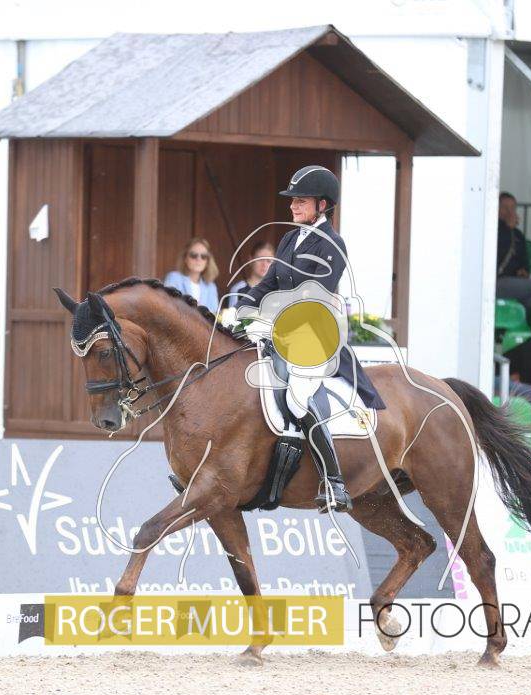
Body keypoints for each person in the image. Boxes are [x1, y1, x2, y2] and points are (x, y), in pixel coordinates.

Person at [223, 165, 384, 513]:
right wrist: (242, 310)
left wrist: (271, 323)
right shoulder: (288, 239)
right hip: (281, 332)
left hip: (313, 335)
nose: (293, 205)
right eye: (293, 200)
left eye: (301, 201)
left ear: (322, 205)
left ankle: (334, 481)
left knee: (299, 396)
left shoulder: (332, 244)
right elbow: (268, 284)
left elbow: (313, 296)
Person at [496, 192, 531, 312]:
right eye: (505, 208)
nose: (510, 212)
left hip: (516, 282)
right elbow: (498, 253)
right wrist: (506, 229)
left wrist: (524, 271)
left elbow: (524, 260)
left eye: (512, 208)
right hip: (497, 282)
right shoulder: (493, 230)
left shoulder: (518, 235)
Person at [164, 238, 220, 313]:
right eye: (193, 255)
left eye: (203, 256)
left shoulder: (211, 287)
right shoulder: (174, 278)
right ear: (185, 258)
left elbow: (214, 314)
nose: (198, 259)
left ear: (207, 262)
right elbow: (167, 306)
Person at [226, 240, 275, 308]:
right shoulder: (238, 290)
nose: (264, 264)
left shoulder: (278, 290)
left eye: (269, 261)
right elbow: (231, 314)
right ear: (250, 260)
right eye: (260, 259)